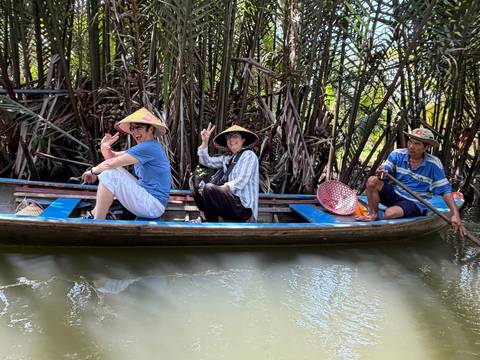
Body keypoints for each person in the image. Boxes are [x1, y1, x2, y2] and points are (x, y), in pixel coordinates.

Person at [356, 127, 465, 235]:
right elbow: (385, 170)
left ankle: (389, 213)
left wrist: (455, 214)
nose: (411, 146)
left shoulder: (434, 164)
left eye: (417, 144)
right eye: (410, 142)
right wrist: (381, 171)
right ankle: (373, 215)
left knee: (389, 214)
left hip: (416, 202)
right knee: (372, 181)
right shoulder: (397, 154)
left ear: (426, 147)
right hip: (395, 194)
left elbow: (445, 191)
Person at [81, 107, 171, 220]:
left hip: (152, 205)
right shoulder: (146, 147)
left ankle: (97, 222)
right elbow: (112, 158)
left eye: (139, 127)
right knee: (113, 171)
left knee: (109, 174)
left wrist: (93, 171)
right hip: (149, 200)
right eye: (132, 128)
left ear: (151, 129)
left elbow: (110, 164)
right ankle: (95, 215)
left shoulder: (148, 147)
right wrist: (105, 148)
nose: (134, 132)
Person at [189, 123, 259, 222]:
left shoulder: (249, 155)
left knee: (209, 188)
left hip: (243, 209)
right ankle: (207, 218)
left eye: (235, 136)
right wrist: (205, 142)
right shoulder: (227, 159)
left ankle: (210, 223)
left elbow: (241, 180)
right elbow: (205, 161)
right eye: (229, 137)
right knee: (195, 180)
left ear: (243, 140)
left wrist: (218, 189)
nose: (231, 140)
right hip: (229, 206)